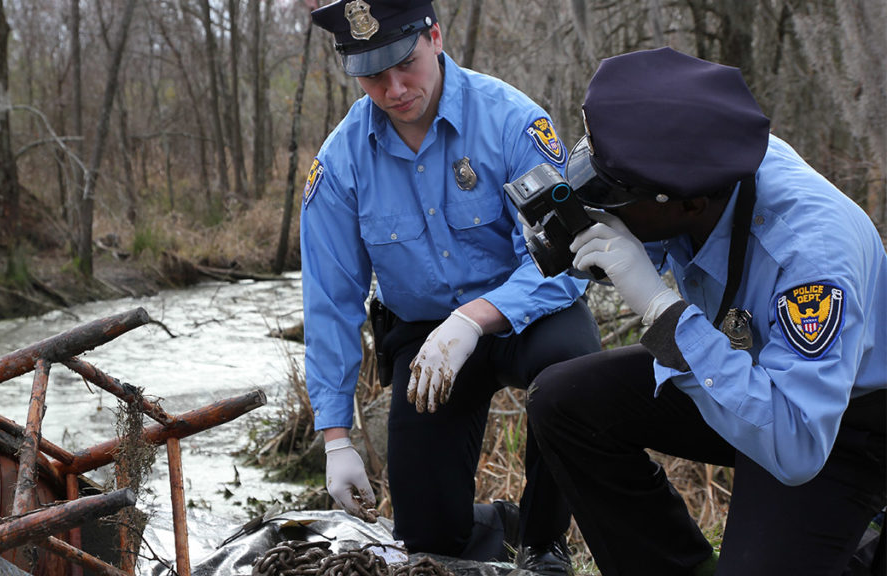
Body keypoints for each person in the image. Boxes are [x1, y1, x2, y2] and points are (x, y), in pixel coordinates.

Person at [525, 46, 886, 575]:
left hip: (833, 421)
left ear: (688, 204)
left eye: (615, 194)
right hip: (737, 368)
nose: (604, 202)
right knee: (562, 400)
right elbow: (652, 223)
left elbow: (797, 445)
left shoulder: (810, 256)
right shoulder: (701, 161)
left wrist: (660, 309)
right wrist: (585, 242)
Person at [300, 0, 601, 572]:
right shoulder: (340, 164)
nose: (393, 89)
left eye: (405, 64)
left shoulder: (514, 123)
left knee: (572, 374)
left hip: (529, 317)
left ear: (435, 37)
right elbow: (330, 303)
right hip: (425, 337)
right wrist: (336, 437)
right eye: (371, 74)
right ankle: (497, 525)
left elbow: (560, 261)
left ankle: (543, 543)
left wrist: (475, 318)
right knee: (429, 545)